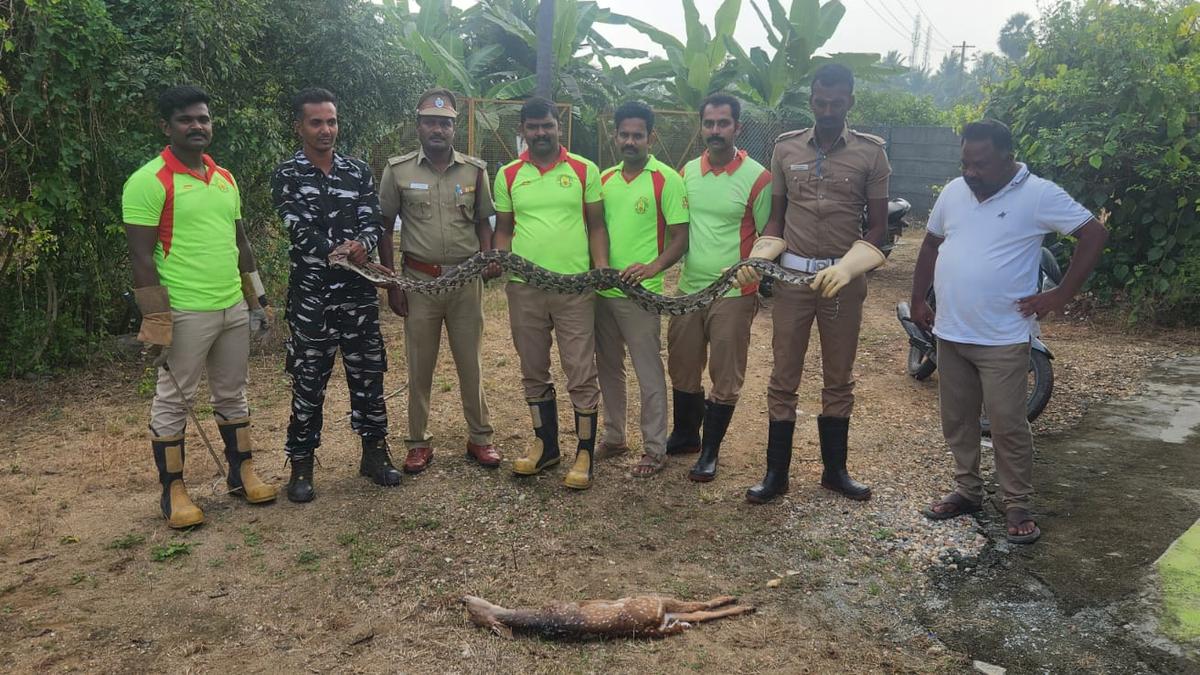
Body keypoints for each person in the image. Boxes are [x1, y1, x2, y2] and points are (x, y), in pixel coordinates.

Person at [911, 119, 1108, 544]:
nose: (970, 171)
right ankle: (967, 491)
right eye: (965, 162)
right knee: (958, 421)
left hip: (1002, 337)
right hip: (951, 331)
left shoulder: (1038, 194)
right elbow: (930, 244)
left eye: (980, 164)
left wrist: (1060, 295)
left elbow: (1093, 233)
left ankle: (1017, 504)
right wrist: (918, 300)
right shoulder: (953, 192)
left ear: (1007, 157)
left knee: (1007, 425)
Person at [123, 85, 277, 528]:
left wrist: (258, 299)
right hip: (184, 311)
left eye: (203, 119)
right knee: (174, 400)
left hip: (231, 305)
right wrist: (156, 318)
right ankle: (174, 492)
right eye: (187, 120)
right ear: (166, 127)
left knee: (233, 392)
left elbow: (241, 242)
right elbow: (139, 256)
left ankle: (241, 472)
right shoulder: (148, 181)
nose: (197, 126)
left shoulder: (224, 178)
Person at [736, 64, 890, 504]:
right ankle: (775, 474)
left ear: (850, 103)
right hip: (793, 280)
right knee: (784, 375)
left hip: (844, 279)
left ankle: (835, 471)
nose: (827, 110)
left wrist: (849, 267)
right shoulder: (785, 150)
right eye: (820, 102)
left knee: (838, 377)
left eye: (836, 103)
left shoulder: (871, 154)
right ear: (811, 101)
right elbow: (776, 219)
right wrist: (759, 256)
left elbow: (877, 228)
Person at [271, 87, 400, 503]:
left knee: (369, 376)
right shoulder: (287, 174)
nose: (326, 130)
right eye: (316, 122)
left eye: (331, 121)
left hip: (358, 296)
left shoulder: (357, 170)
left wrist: (363, 242)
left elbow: (373, 219)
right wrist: (339, 249)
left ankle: (374, 455)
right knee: (309, 382)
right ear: (300, 127)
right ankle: (302, 466)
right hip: (312, 299)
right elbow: (297, 227)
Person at [378, 88, 501, 474]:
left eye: (445, 123)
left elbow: (484, 222)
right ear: (418, 127)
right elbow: (383, 228)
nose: (437, 129)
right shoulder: (398, 171)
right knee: (419, 366)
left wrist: (487, 259)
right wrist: (392, 284)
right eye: (430, 122)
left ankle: (480, 438)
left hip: (465, 283)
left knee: (471, 363)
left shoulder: (475, 171)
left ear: (453, 129)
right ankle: (418, 442)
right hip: (419, 283)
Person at [493, 97, 610, 489]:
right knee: (533, 368)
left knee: (580, 369)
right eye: (533, 127)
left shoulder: (583, 170)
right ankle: (546, 446)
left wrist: (599, 269)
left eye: (548, 126)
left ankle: (585, 452)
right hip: (525, 289)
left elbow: (596, 225)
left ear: (558, 127)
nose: (541, 133)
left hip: (574, 288)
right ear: (523, 130)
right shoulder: (508, 174)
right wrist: (504, 263)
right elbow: (504, 229)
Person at [667, 93, 772, 483]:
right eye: (709, 123)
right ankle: (684, 436)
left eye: (723, 123)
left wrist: (756, 271)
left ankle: (710, 452)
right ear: (702, 126)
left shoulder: (758, 177)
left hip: (733, 294)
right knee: (682, 365)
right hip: (690, 289)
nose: (715, 131)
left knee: (725, 375)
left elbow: (769, 236)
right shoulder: (687, 173)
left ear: (737, 128)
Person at [596, 101, 690, 476]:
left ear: (651, 137)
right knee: (608, 369)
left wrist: (653, 267)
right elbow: (597, 229)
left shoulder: (666, 179)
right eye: (624, 134)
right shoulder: (603, 179)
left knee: (648, 372)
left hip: (641, 296)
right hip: (604, 293)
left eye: (638, 135)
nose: (630, 141)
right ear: (615, 136)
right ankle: (614, 436)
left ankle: (654, 448)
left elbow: (681, 237)